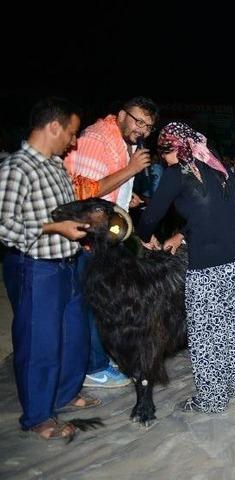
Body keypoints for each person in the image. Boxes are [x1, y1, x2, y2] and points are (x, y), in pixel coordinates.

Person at [0, 97, 99, 440]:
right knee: (40, 342)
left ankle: (65, 393)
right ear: (53, 126)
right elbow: (4, 225)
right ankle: (39, 415)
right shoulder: (16, 168)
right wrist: (53, 228)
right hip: (36, 267)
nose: (73, 141)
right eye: (71, 133)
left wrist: (87, 217)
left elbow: (65, 212)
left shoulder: (56, 165)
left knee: (74, 337)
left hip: (69, 263)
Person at [138, 122, 235, 414]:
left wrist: (143, 234)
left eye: (162, 153)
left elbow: (151, 218)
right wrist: (182, 234)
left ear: (170, 148)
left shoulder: (176, 174)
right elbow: (212, 213)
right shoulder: (218, 168)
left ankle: (212, 399)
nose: (162, 159)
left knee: (205, 335)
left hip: (208, 270)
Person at [64, 96, 160, 389]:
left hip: (106, 238)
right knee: (91, 303)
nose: (142, 129)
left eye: (148, 126)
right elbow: (85, 195)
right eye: (137, 120)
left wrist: (125, 197)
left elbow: (106, 186)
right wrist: (130, 170)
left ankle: (98, 358)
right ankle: (93, 367)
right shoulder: (96, 139)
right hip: (87, 240)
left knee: (104, 301)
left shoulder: (121, 142)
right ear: (121, 114)